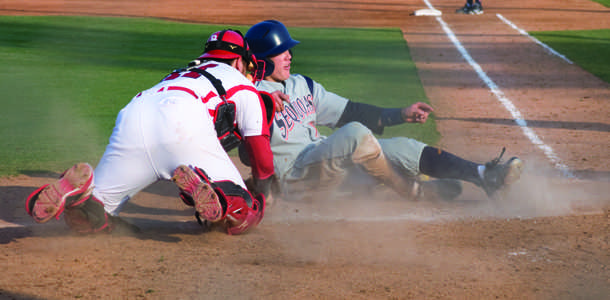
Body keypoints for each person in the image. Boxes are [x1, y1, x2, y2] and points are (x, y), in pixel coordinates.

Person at [25, 29, 275, 235]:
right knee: (246, 214)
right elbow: (260, 153)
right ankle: (220, 196)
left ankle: (78, 197)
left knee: (96, 216)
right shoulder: (242, 82)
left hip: (136, 113)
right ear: (239, 61)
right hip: (184, 119)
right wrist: (264, 192)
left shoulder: (181, 73)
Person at [244, 20, 522, 202]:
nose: (289, 56)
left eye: (289, 50)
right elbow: (242, 147)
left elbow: (350, 111)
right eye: (280, 52)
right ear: (260, 60)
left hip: (325, 162)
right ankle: (415, 192)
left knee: (402, 147)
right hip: (295, 177)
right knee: (355, 135)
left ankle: (486, 175)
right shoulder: (248, 96)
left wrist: (400, 113)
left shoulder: (302, 84)